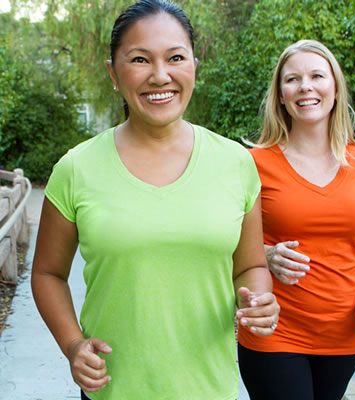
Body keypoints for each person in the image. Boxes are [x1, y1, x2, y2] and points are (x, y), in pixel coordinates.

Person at [31, 1, 279, 400]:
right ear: (113, 73)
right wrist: (73, 344)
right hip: (112, 391)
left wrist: (259, 298)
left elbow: (249, 265)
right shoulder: (76, 169)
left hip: (209, 389)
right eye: (140, 60)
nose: (160, 75)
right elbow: (47, 274)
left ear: (194, 65)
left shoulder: (236, 163)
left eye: (175, 57)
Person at [237, 40, 355, 400]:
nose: (305, 86)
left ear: (334, 89)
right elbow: (226, 241)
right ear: (281, 97)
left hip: (344, 330)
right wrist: (267, 254)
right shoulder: (253, 164)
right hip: (275, 328)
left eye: (317, 75)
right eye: (293, 79)